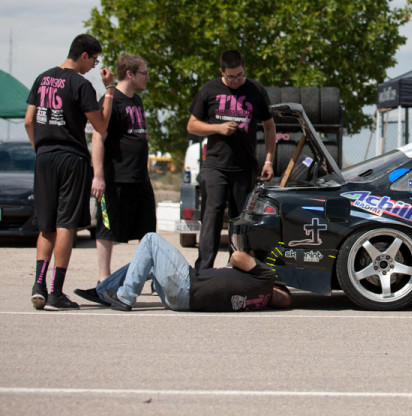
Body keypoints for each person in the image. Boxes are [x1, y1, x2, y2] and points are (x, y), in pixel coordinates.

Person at [24, 33, 115, 310]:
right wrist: (109, 90)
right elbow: (101, 125)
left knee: (46, 224)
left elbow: (29, 121)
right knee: (66, 224)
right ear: (84, 55)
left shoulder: (41, 78)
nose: (93, 66)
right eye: (94, 60)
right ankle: (56, 292)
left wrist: (40, 149)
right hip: (71, 158)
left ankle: (39, 284)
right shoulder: (81, 84)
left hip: (44, 156)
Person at [187, 49, 275, 271]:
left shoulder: (256, 90)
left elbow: (269, 127)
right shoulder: (209, 89)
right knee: (212, 217)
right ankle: (203, 271)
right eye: (230, 77)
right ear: (221, 72)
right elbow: (192, 125)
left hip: (244, 167)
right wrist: (217, 128)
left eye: (239, 75)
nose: (235, 81)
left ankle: (237, 269)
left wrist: (268, 161)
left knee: (240, 222)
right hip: (215, 166)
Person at [73, 232, 291, 311]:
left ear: (277, 287)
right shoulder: (258, 302)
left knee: (150, 240)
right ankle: (104, 292)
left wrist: (252, 258)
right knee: (149, 262)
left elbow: (236, 257)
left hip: (187, 285)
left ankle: (125, 297)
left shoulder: (267, 277)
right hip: (181, 303)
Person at [90, 54, 156, 282]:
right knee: (107, 228)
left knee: (147, 229)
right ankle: (104, 279)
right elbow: (98, 137)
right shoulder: (111, 99)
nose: (147, 77)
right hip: (116, 177)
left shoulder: (136, 100)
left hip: (140, 176)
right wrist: (98, 176)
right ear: (130, 74)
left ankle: (145, 276)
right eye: (144, 73)